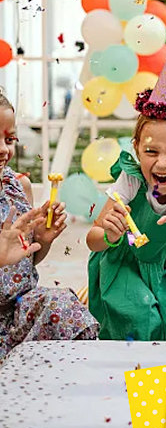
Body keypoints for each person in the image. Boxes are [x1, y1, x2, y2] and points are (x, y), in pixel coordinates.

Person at [87, 30, 166, 342]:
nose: (160, 164)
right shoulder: (130, 178)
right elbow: (93, 239)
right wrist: (110, 234)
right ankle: (129, 374)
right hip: (127, 259)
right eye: (150, 152)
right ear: (136, 148)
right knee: (138, 312)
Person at [0, 91, 97, 361]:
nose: (3, 149)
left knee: (64, 306)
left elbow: (26, 263)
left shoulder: (18, 186)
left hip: (19, 310)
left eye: (9, 140)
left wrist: (43, 240)